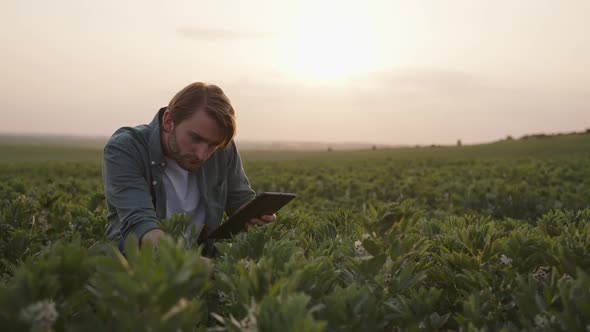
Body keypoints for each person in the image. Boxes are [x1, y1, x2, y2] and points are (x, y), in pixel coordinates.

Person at [102, 82, 276, 257]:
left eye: (213, 145)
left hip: (202, 258)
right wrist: (188, 263)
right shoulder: (126, 148)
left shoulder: (223, 149)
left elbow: (240, 200)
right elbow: (141, 226)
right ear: (169, 121)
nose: (202, 155)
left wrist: (255, 216)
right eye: (195, 138)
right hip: (138, 266)